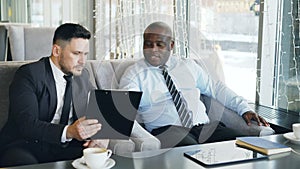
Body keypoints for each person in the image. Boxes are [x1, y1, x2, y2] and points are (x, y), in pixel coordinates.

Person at [119, 21, 269, 148]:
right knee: (192, 153)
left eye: (160, 44)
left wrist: (244, 109)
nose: (153, 50)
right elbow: (124, 110)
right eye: (148, 44)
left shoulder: (187, 66)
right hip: (167, 130)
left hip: (205, 127)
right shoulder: (134, 74)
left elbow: (216, 89)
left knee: (241, 146)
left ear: (171, 45)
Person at [0, 23, 108, 167]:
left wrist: (102, 135)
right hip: (25, 144)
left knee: (98, 161)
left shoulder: (82, 76)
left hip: (64, 146)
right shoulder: (29, 75)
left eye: (85, 54)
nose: (83, 61)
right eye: (76, 53)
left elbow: (97, 108)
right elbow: (26, 124)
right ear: (57, 51)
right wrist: (68, 132)